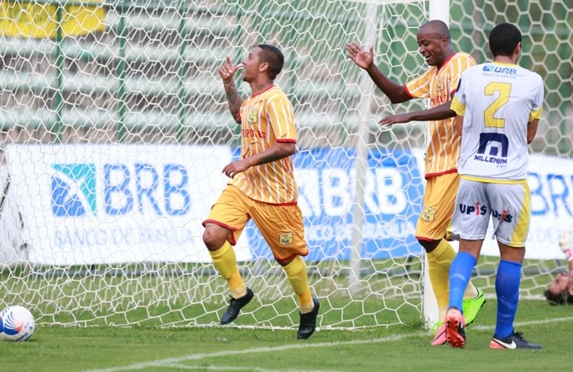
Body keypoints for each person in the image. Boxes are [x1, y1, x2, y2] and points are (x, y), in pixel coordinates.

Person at [346, 20, 486, 346]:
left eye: (427, 43)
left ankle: (470, 294)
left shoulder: (461, 63)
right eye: (419, 44)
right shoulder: (433, 74)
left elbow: (456, 106)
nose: (422, 49)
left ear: (444, 40)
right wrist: (370, 68)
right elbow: (398, 95)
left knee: (426, 236)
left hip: (457, 163)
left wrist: (411, 116)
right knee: (432, 243)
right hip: (436, 166)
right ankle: (447, 319)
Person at [203, 44, 320, 340]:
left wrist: (246, 161)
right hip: (245, 186)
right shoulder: (254, 100)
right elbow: (238, 115)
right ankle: (239, 293)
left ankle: (307, 306)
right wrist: (228, 83)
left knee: (288, 258)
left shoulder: (276, 100)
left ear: (264, 66)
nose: (244, 61)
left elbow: (288, 145)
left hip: (276, 193)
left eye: (250, 57)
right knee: (212, 235)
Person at [444, 23, 544, 350]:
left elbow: (459, 125)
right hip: (509, 180)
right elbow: (529, 135)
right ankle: (502, 336)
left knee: (467, 250)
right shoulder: (533, 81)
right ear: (518, 48)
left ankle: (454, 308)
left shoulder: (471, 76)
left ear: (489, 48)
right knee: (511, 255)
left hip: (472, 176)